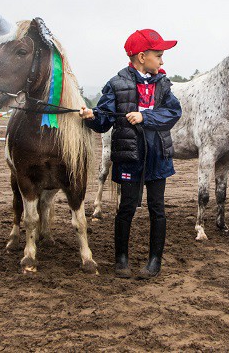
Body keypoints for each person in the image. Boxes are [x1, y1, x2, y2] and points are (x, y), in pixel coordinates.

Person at [80, 29, 182, 279]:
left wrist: (144, 116)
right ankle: (121, 260)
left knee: (157, 209)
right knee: (126, 208)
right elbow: (104, 121)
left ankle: (154, 261)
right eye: (158, 55)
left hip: (158, 155)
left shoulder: (164, 84)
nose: (162, 61)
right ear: (141, 56)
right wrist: (91, 117)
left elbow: (173, 113)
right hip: (129, 156)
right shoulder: (116, 84)